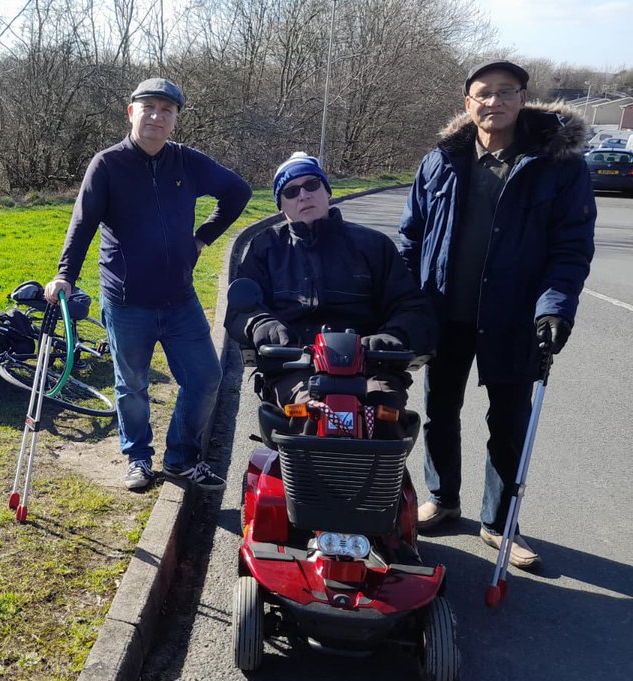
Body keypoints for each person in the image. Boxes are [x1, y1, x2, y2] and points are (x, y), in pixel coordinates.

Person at [398, 60, 596, 569]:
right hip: (444, 313)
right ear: (468, 104)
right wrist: (402, 300)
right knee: (440, 412)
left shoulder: (558, 166)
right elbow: (410, 237)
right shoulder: (441, 160)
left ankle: (501, 522)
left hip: (514, 318)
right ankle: (442, 499)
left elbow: (570, 248)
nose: (494, 102)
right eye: (483, 93)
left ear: (523, 99)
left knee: (509, 421)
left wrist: (555, 308)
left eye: (506, 92)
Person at [45, 77, 252, 491]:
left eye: (166, 110)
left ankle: (179, 458)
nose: (157, 116)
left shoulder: (187, 162)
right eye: (149, 107)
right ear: (132, 112)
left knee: (206, 378)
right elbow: (82, 224)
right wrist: (65, 275)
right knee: (132, 386)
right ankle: (138, 458)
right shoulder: (107, 164)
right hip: (126, 302)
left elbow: (238, 191)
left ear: (175, 119)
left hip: (180, 299)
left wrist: (202, 238)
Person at [226, 152, 435, 421]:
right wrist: (263, 326)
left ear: (327, 191)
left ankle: (385, 465)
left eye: (311, 185)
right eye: (291, 191)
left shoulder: (374, 245)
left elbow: (412, 305)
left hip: (371, 367)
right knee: (310, 417)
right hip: (294, 366)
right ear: (281, 205)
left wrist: (393, 336)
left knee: (385, 418)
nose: (303, 195)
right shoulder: (265, 248)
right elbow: (243, 307)